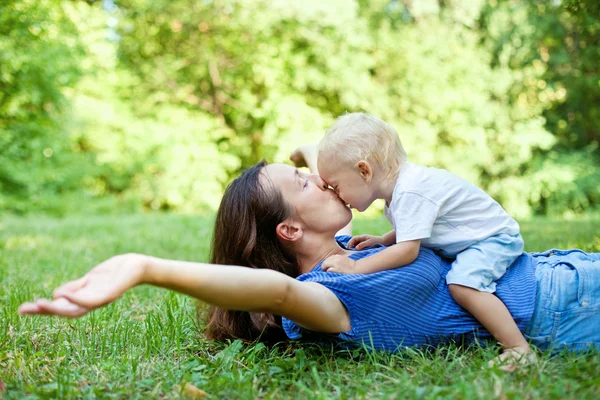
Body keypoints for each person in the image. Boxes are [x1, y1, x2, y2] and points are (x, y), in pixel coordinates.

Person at [19, 146, 600, 372]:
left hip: (565, 268)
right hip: (562, 308)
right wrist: (147, 267)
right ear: (290, 228)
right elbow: (274, 292)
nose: (322, 181)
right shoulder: (328, 297)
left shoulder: (357, 248)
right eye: (304, 182)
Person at [316, 113, 531, 360]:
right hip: (479, 238)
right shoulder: (399, 192)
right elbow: (417, 227)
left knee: (463, 285)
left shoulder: (410, 191)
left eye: (336, 185)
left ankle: (518, 348)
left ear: (364, 171)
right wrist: (385, 240)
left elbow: (408, 251)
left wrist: (356, 266)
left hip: (493, 238)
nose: (337, 195)